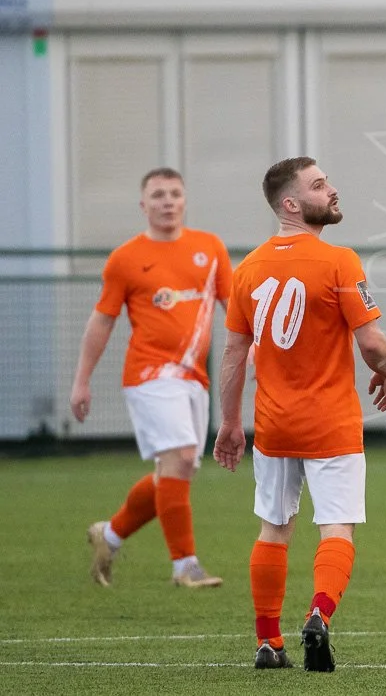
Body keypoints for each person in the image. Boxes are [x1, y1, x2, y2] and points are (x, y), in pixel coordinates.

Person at [212, 157, 386, 672]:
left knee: (274, 527)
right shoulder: (339, 261)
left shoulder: (247, 268)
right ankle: (318, 615)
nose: (332, 190)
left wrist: (230, 423)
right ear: (291, 203)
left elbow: (232, 356)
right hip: (331, 423)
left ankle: (268, 643)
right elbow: (372, 342)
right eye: (319, 185)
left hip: (273, 425)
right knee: (336, 527)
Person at [73, 167, 232, 590]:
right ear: (143, 205)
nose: (167, 201)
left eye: (175, 193)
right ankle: (185, 566)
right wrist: (81, 381)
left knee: (174, 475)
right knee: (179, 458)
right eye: (158, 194)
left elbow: (234, 309)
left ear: (185, 200)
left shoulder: (210, 248)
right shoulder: (126, 258)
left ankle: (108, 535)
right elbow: (101, 322)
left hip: (193, 379)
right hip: (148, 375)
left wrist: (254, 351)